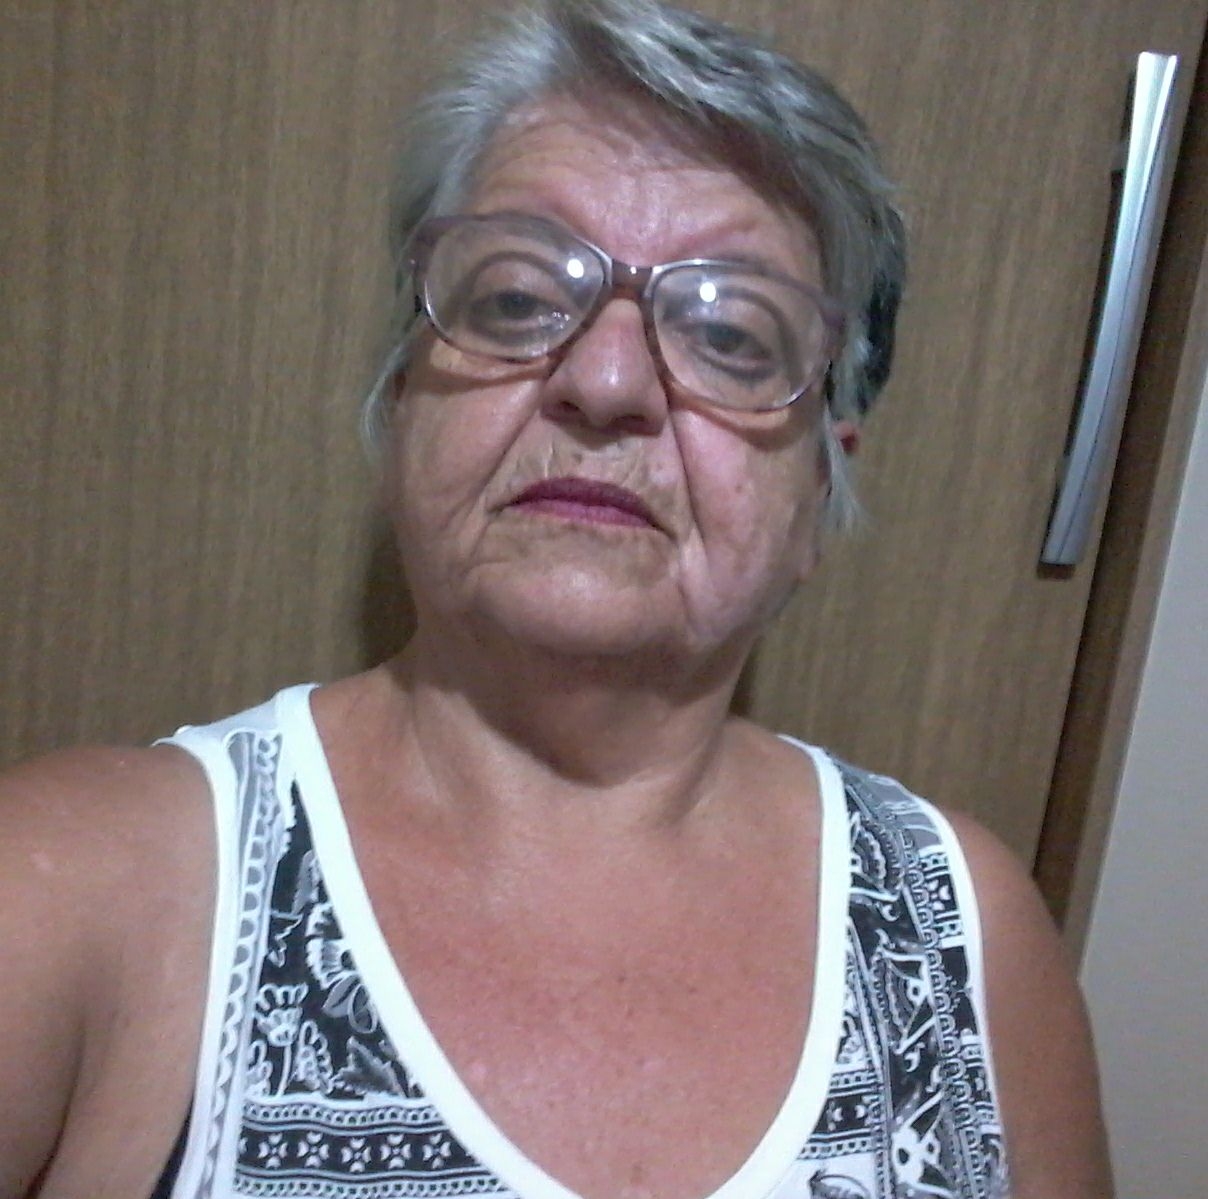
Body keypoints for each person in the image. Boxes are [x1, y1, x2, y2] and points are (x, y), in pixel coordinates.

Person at [0, 1, 1112, 1196]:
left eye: (729, 334)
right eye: (520, 300)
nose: (607, 378)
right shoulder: (76, 891)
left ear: (815, 491)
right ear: (404, 406)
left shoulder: (965, 939)